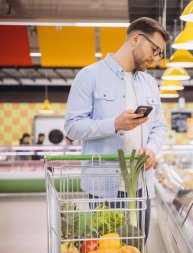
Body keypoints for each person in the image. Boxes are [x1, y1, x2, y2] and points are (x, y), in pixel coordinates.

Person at [64, 17, 170, 240]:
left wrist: (151, 149)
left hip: (141, 187)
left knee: (137, 246)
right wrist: (114, 124)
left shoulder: (149, 83)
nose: (156, 58)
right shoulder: (90, 75)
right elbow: (73, 127)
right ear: (135, 38)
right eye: (155, 49)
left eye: (159, 53)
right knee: (108, 246)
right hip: (104, 187)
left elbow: (159, 125)